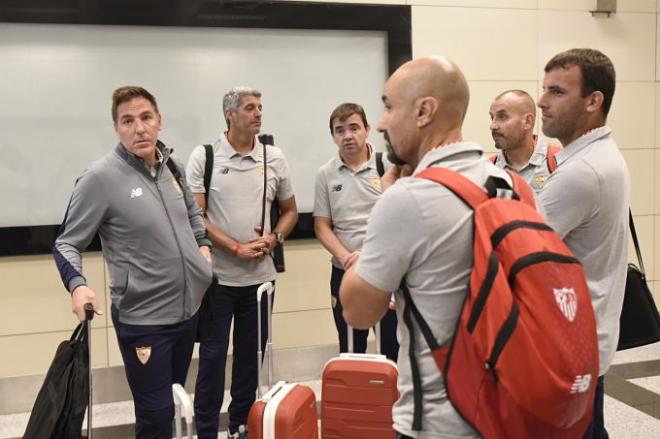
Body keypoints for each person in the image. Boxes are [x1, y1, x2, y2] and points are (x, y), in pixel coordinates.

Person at [339, 55, 519, 438]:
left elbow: (357, 311)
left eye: (388, 106)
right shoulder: (504, 181)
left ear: (424, 111)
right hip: (508, 408)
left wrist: (384, 206)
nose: (382, 122)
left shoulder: (410, 198)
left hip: (438, 422)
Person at [53, 86, 213, 439]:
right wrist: (77, 286)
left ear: (159, 121)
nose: (139, 128)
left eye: (145, 118)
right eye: (128, 121)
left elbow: (193, 215)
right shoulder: (100, 178)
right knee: (155, 417)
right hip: (143, 320)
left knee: (171, 405)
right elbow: (66, 243)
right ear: (116, 128)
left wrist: (204, 250)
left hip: (187, 314)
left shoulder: (173, 165)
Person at [186, 86, 298, 439]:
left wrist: (274, 237)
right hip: (217, 281)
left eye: (260, 107)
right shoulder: (204, 157)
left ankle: (239, 426)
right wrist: (235, 247)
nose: (258, 113)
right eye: (250, 107)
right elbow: (196, 217)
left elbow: (290, 211)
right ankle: (206, 430)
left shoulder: (274, 157)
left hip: (261, 282)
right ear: (230, 114)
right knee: (214, 359)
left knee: (250, 359)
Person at [537, 48, 629, 439]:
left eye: (557, 92)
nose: (542, 101)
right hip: (588, 339)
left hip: (570, 345)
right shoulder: (600, 156)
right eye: (545, 89)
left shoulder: (582, 171)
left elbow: (514, 252)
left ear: (593, 101)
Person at [313, 102, 398, 361]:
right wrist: (347, 257)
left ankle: (394, 402)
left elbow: (400, 219)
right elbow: (322, 225)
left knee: (392, 348)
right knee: (351, 350)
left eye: (354, 128)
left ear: (367, 129)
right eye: (340, 130)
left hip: (385, 273)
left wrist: (371, 255)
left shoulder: (388, 165)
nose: (348, 136)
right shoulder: (325, 174)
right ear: (333, 136)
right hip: (344, 272)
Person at [489, 89, 560, 191]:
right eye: (492, 117)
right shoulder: (489, 169)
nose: (493, 126)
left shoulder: (559, 162)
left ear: (527, 121)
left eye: (502, 117)